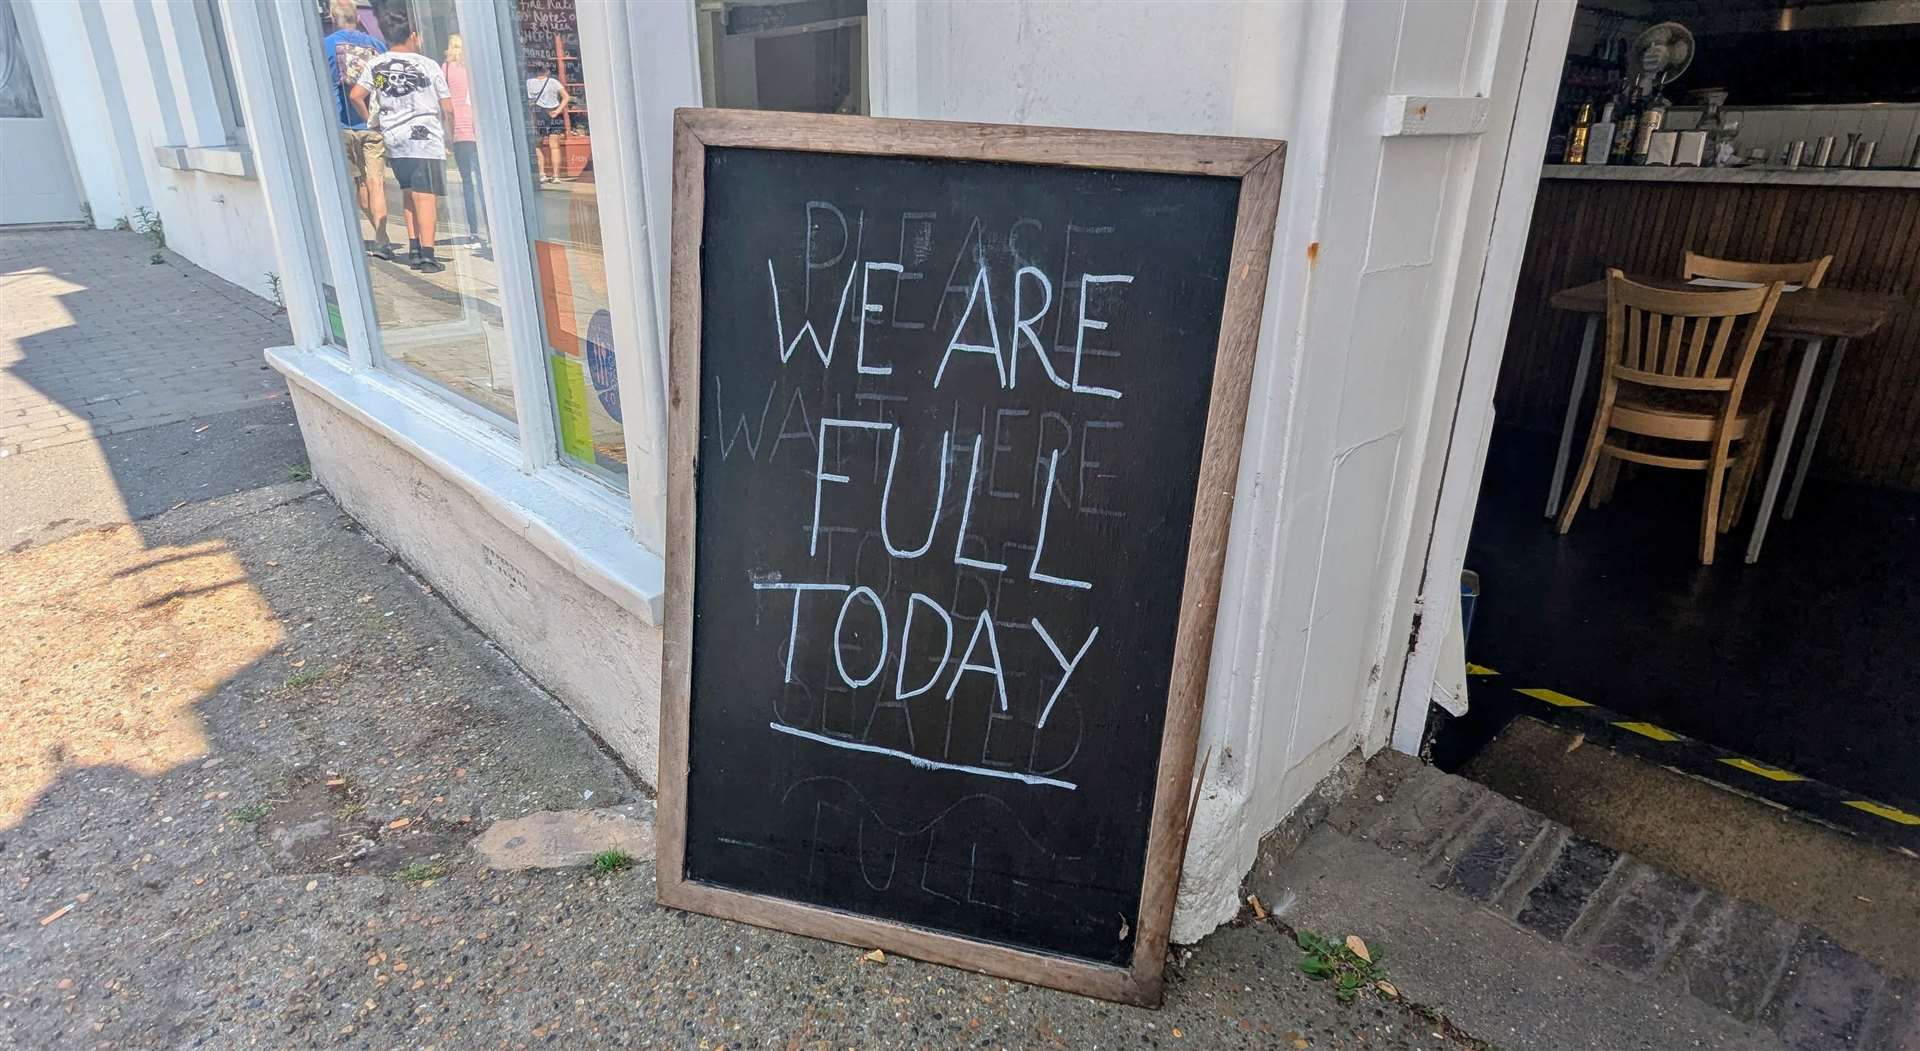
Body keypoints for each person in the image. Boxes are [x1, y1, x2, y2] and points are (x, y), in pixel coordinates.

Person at [351, 5, 452, 273]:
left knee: (409, 191)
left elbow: (356, 95)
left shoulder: (376, 65)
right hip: (424, 136)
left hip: (395, 139)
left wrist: (375, 121)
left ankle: (415, 246)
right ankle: (429, 255)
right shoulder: (428, 64)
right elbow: (447, 106)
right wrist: (448, 134)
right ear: (413, 36)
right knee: (426, 195)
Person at [321, 0, 391, 258]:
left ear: (332, 16)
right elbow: (382, 84)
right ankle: (382, 236)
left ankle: (378, 234)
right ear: (358, 17)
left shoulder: (325, 46)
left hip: (343, 124)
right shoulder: (377, 46)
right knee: (376, 183)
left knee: (360, 183)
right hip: (372, 123)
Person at [442, 33, 486, 253]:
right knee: (484, 184)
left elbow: (445, 106)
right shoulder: (475, 68)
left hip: (460, 133)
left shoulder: (446, 69)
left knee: (467, 183)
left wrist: (447, 136)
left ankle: (474, 232)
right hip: (478, 131)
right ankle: (492, 228)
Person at [524, 61, 572, 184]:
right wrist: (558, 111)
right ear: (547, 71)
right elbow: (566, 97)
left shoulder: (529, 83)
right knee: (554, 146)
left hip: (538, 114)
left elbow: (528, 101)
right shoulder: (553, 82)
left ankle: (542, 174)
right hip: (553, 113)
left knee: (538, 145)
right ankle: (556, 176)